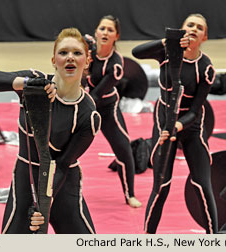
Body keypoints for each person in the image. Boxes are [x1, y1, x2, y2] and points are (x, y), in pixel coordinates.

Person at [0, 27, 101, 234]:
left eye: (77, 53)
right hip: (27, 179)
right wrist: (26, 84)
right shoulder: (34, 82)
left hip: (63, 184)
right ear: (54, 60)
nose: (70, 57)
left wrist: (43, 206)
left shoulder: (88, 113)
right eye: (63, 52)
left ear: (87, 61)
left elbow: (61, 165)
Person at [132, 14, 218, 233]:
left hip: (190, 128)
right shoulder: (167, 53)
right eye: (189, 25)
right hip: (163, 123)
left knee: (203, 187)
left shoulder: (206, 68)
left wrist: (177, 126)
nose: (193, 29)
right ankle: (147, 240)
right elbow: (136, 52)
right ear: (182, 29)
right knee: (160, 188)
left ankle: (215, 239)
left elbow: (197, 109)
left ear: (204, 37)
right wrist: (167, 41)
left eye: (199, 28)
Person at [84, 15, 142, 208]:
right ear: (96, 32)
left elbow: (96, 94)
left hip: (106, 109)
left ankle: (130, 194)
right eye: (102, 28)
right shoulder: (86, 50)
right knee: (64, 148)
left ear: (116, 36)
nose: (105, 33)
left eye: (110, 30)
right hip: (83, 104)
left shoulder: (116, 64)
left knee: (124, 150)